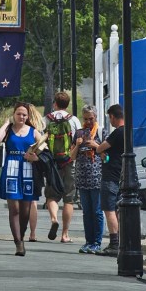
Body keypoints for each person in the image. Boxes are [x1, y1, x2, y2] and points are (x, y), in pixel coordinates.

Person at [0, 103, 40, 256]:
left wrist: (35, 157)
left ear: (28, 117)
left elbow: (45, 151)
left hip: (27, 171)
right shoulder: (8, 130)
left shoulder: (33, 131)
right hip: (11, 169)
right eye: (19, 114)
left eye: (24, 115)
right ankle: (18, 242)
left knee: (25, 210)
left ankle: (22, 235)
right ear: (14, 114)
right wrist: (6, 124)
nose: (22, 117)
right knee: (14, 209)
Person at [43, 90, 81, 243]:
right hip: (69, 162)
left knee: (51, 196)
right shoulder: (74, 120)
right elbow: (79, 139)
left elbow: (40, 139)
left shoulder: (46, 119)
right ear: (67, 104)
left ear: (55, 103)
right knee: (69, 199)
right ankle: (65, 234)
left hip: (52, 163)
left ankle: (53, 219)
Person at [71, 104, 103, 254]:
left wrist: (96, 145)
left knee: (96, 211)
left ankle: (97, 241)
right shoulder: (79, 133)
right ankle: (88, 241)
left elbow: (107, 156)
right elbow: (71, 156)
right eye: (86, 119)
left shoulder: (101, 132)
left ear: (96, 117)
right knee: (86, 212)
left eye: (91, 119)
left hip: (96, 177)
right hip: (82, 177)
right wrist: (77, 146)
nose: (89, 122)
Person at [95, 103, 125, 256]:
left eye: (110, 118)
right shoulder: (129, 132)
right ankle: (121, 241)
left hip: (111, 176)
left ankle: (114, 243)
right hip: (122, 175)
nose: (110, 121)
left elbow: (100, 148)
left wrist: (96, 145)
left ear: (113, 117)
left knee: (109, 209)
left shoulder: (117, 133)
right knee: (119, 210)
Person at [26, 103, 45, 241]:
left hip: (25, 164)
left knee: (22, 201)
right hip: (36, 166)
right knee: (33, 202)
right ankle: (32, 233)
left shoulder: (24, 129)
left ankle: (21, 229)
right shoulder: (40, 126)